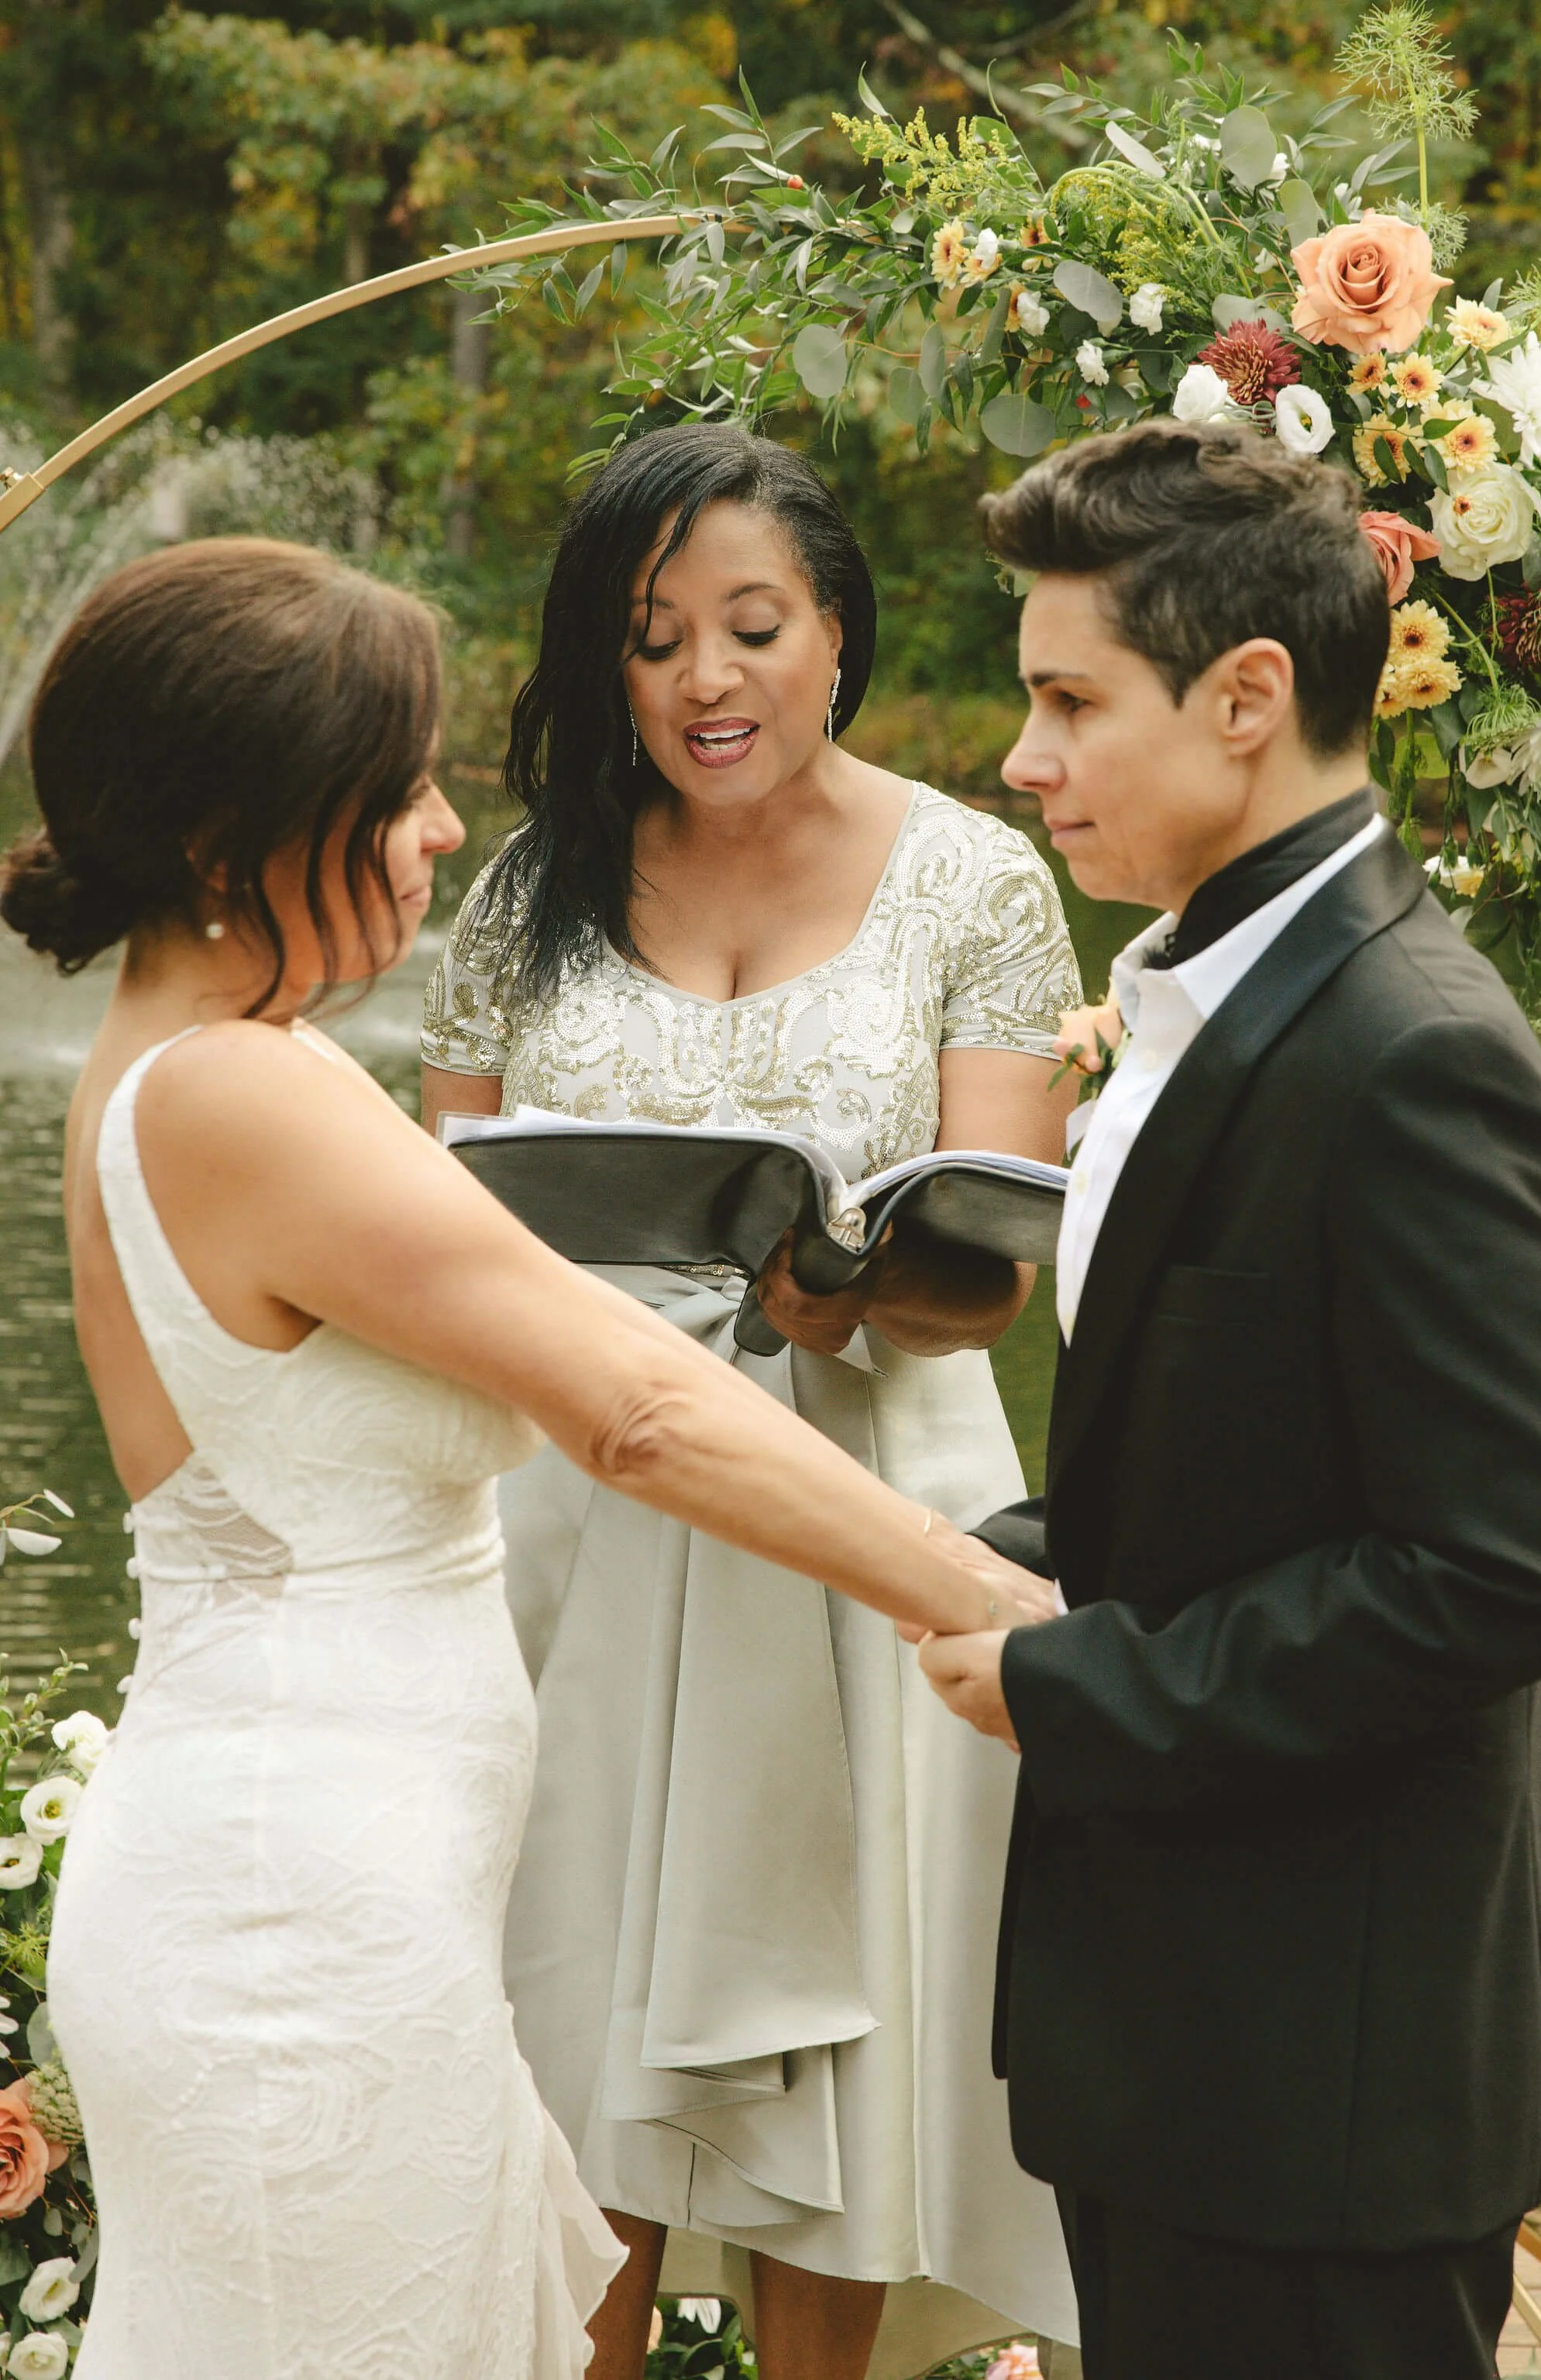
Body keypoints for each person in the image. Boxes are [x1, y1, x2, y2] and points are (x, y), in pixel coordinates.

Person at [0, 536, 1051, 2380]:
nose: (432, 831)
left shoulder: (189, 1057)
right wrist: (995, 1602)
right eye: (394, 789)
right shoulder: (241, 1091)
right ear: (241, 833)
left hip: (327, 1883)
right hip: (293, 1918)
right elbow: (633, 1402)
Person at [918, 415, 1541, 2380]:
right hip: (1187, 2053)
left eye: (1065, 699)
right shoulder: (1206, 986)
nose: (1021, 756)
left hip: (1329, 2081)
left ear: (1247, 698)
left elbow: (1512, 1558)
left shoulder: (1412, 1053)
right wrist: (992, 1557)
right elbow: (1239, 1467)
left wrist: (1079, 1686)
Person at [421, 424, 1082, 2380]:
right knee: (565, 2025)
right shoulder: (526, 891)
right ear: (601, 663)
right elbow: (449, 1227)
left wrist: (859, 1283)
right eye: (652, 638)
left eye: (752, 626)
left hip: (865, 1502)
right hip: (579, 1527)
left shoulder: (973, 875)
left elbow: (993, 1257)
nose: (706, 679)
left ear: (835, 633)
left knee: (858, 2037)